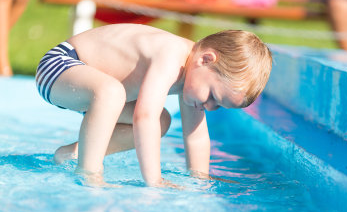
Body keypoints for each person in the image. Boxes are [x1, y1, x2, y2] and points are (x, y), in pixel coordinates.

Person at [35, 24, 272, 187]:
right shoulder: (171, 55)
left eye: (218, 106)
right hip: (61, 66)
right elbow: (142, 117)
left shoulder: (194, 73)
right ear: (206, 59)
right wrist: (154, 180)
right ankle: (88, 172)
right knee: (117, 95)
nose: (209, 107)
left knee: (162, 121)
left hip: (98, 96)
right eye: (212, 96)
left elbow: (195, 136)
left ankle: (71, 155)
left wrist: (201, 179)